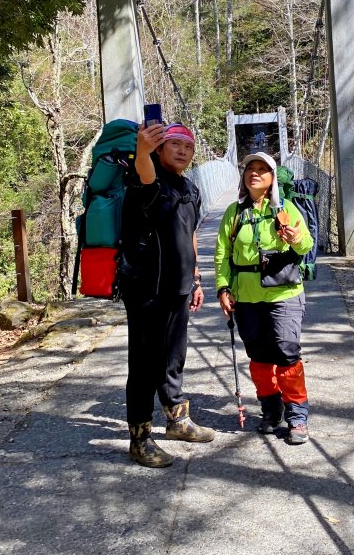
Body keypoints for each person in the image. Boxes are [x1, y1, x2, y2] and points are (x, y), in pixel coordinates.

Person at [116, 121, 215, 468]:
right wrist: (142, 151)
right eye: (174, 144)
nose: (182, 151)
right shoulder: (146, 179)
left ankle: (177, 420)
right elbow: (144, 171)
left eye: (188, 146)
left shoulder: (189, 188)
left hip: (178, 288)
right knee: (144, 365)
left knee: (174, 357)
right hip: (146, 290)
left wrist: (197, 279)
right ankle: (140, 439)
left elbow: (189, 234)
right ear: (159, 149)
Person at [214, 151, 315, 444]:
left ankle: (297, 414)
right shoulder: (234, 212)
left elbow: (306, 244)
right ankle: (270, 410)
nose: (254, 173)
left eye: (262, 169)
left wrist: (295, 238)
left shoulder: (286, 208)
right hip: (245, 296)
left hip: (284, 293)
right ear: (244, 178)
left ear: (272, 179)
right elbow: (222, 255)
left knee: (285, 350)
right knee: (258, 356)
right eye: (249, 169)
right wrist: (222, 288)